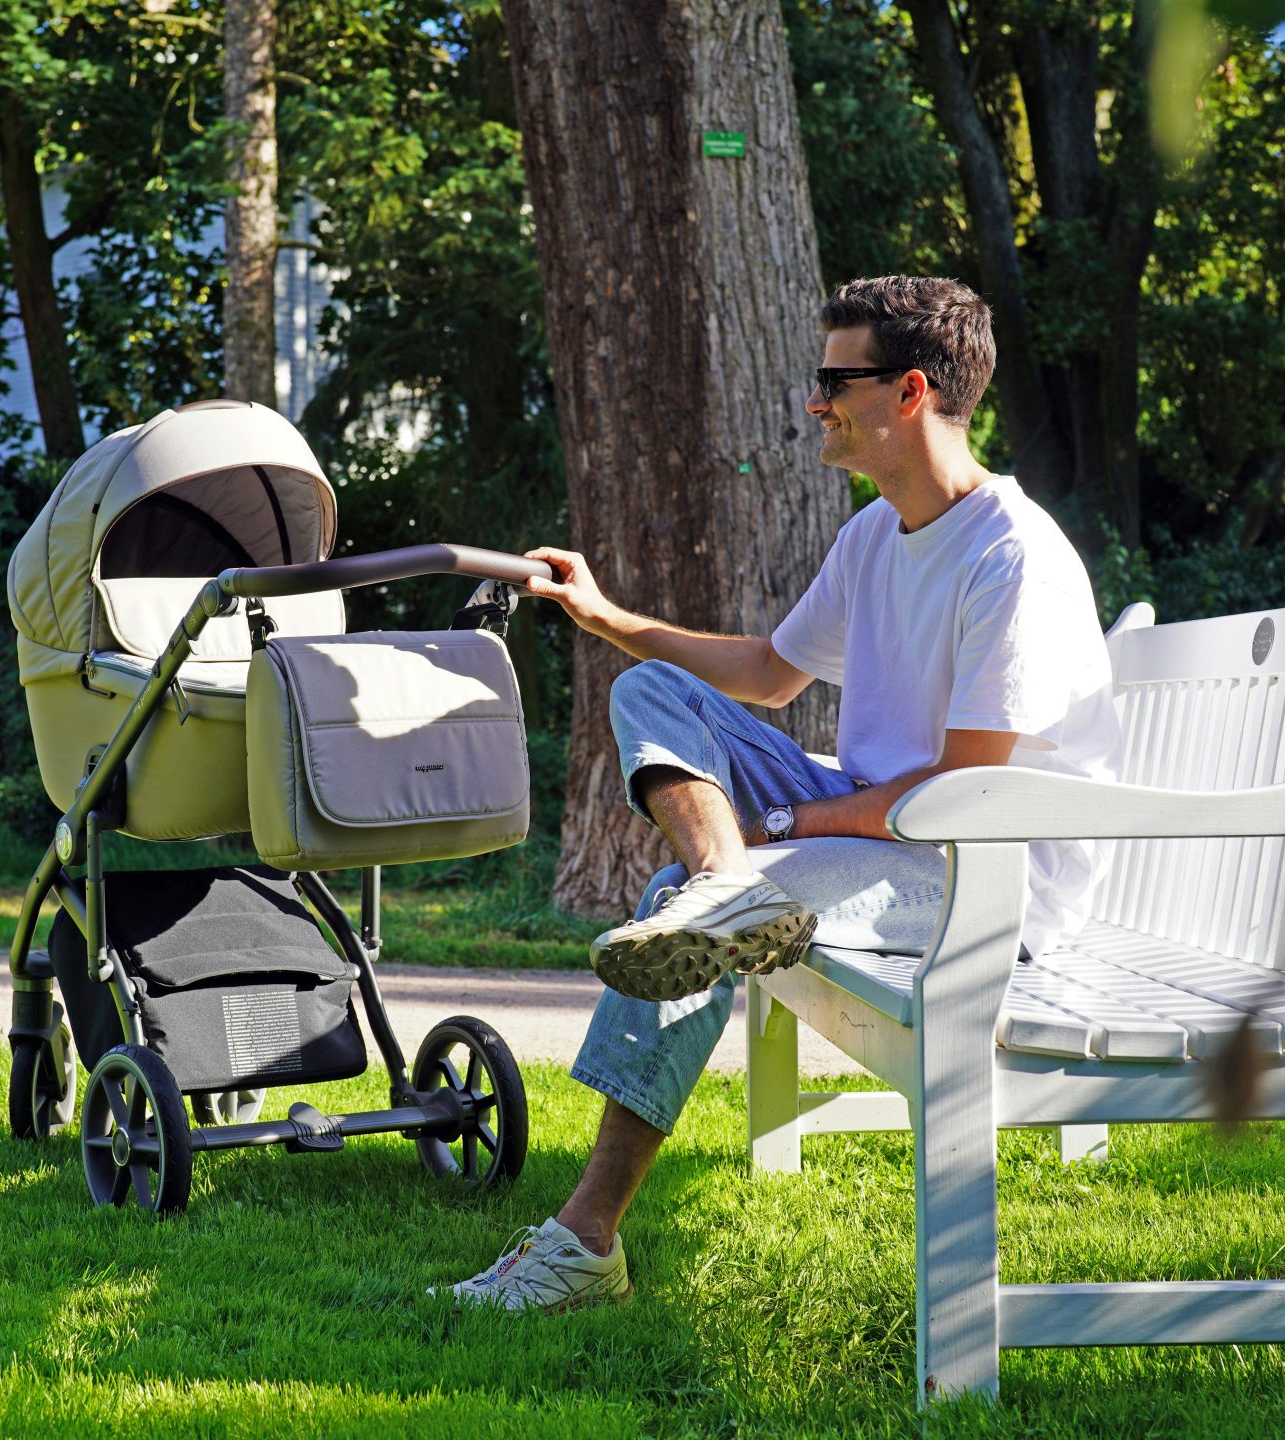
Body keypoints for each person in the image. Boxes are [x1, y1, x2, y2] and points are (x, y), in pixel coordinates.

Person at [435, 275, 1121, 1313]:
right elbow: (765, 674)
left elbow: (971, 791)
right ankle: (725, 884)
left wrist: (794, 823)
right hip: (892, 831)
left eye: (833, 379)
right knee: (655, 692)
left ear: (910, 392)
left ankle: (583, 1245)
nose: (815, 403)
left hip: (985, 873)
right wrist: (603, 614)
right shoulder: (872, 538)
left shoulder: (1008, 556)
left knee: (689, 918)